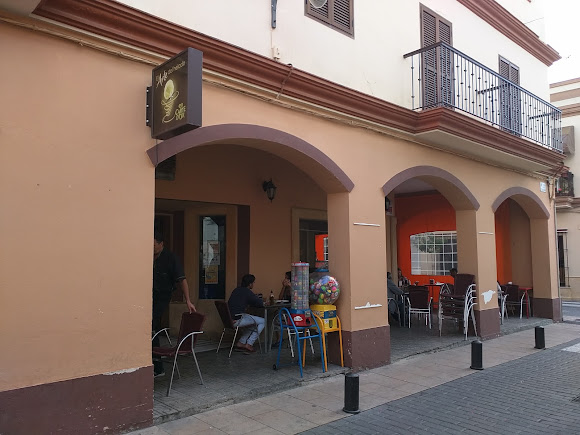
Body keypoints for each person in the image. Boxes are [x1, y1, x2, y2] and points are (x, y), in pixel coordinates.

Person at [153, 232, 196, 377]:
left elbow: (182, 279)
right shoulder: (148, 256)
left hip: (162, 295)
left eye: (154, 245)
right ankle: (155, 365)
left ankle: (158, 367)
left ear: (161, 244)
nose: (151, 248)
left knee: (152, 325)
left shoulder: (171, 258)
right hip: (149, 295)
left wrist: (188, 300)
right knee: (151, 327)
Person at [227, 274, 265, 352]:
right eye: (253, 282)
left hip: (230, 319)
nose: (253, 284)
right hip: (237, 319)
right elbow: (259, 303)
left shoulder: (236, 290)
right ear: (250, 284)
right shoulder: (247, 291)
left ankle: (241, 342)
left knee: (253, 323)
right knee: (263, 321)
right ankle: (249, 344)